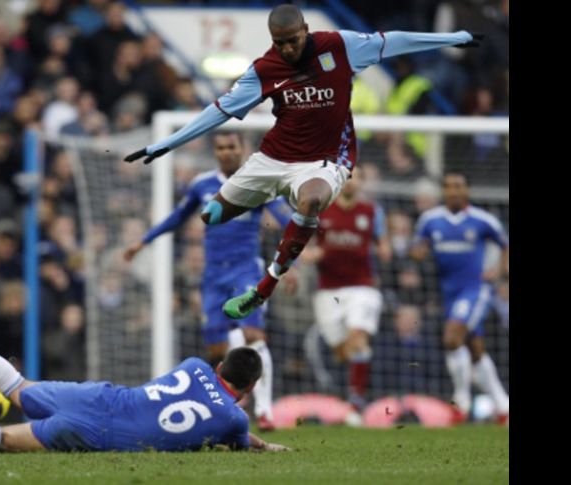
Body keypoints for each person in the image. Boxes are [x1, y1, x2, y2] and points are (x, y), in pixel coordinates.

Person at [123, 4, 482, 320]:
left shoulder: (338, 46)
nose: (288, 48)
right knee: (211, 216)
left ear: (306, 31)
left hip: (327, 160)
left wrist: (453, 38)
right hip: (274, 157)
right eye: (280, 43)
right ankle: (275, 212)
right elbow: (219, 111)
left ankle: (265, 284)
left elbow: (393, 41)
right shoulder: (265, 68)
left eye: (293, 40)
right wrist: (166, 144)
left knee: (310, 200)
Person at [0, 309, 290, 452]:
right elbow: (240, 436)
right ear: (249, 390)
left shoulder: (195, 364)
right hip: (98, 431)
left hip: (100, 396)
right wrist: (264, 442)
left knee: (15, 384)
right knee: (1, 440)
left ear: (219, 368)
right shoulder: (232, 421)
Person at [124, 131, 293, 431]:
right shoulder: (202, 184)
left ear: (243, 149)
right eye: (221, 147)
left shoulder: (258, 182)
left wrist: (294, 260)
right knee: (217, 351)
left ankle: (265, 411)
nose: (226, 152)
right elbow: (178, 216)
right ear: (215, 151)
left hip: (246, 270)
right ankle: (227, 406)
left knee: (254, 334)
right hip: (213, 275)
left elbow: (285, 220)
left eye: (232, 146)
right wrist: (144, 241)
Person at [410, 172, 509, 424]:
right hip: (449, 293)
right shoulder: (430, 220)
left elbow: (505, 244)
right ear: (443, 191)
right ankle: (502, 405)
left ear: (467, 190)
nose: (453, 191)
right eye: (448, 186)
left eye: (458, 186)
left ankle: (461, 401)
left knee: (452, 338)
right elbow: (418, 248)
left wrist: (499, 271)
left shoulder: (482, 220)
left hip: (475, 290)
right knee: (475, 349)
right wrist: (417, 252)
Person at [306, 166, 391, 412]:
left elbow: (384, 245)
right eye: (346, 178)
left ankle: (356, 400)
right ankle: (351, 387)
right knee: (342, 350)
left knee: (357, 338)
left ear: (362, 182)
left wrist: (385, 251)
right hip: (328, 291)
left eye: (356, 177)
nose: (350, 182)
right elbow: (304, 246)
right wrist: (313, 255)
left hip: (362, 287)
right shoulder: (321, 210)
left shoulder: (372, 212)